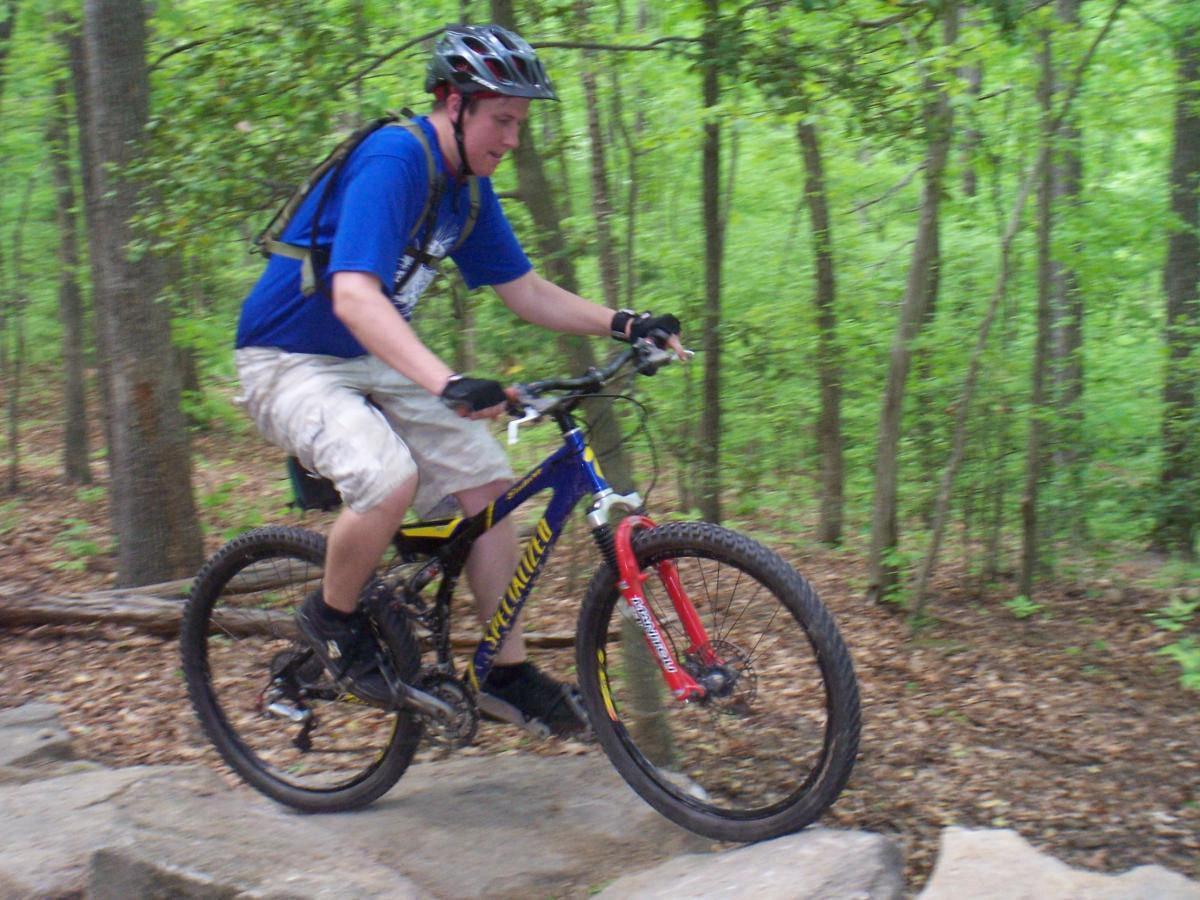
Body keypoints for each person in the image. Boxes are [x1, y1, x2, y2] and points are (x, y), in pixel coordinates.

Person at [235, 24, 683, 737]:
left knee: (489, 493)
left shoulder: (468, 194)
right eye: (501, 118)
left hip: (368, 360)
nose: (511, 137)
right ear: (453, 103)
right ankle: (330, 621)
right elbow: (354, 295)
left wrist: (624, 322)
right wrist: (447, 381)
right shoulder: (395, 160)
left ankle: (501, 673)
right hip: (286, 359)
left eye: (520, 123)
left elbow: (526, 291)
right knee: (385, 479)